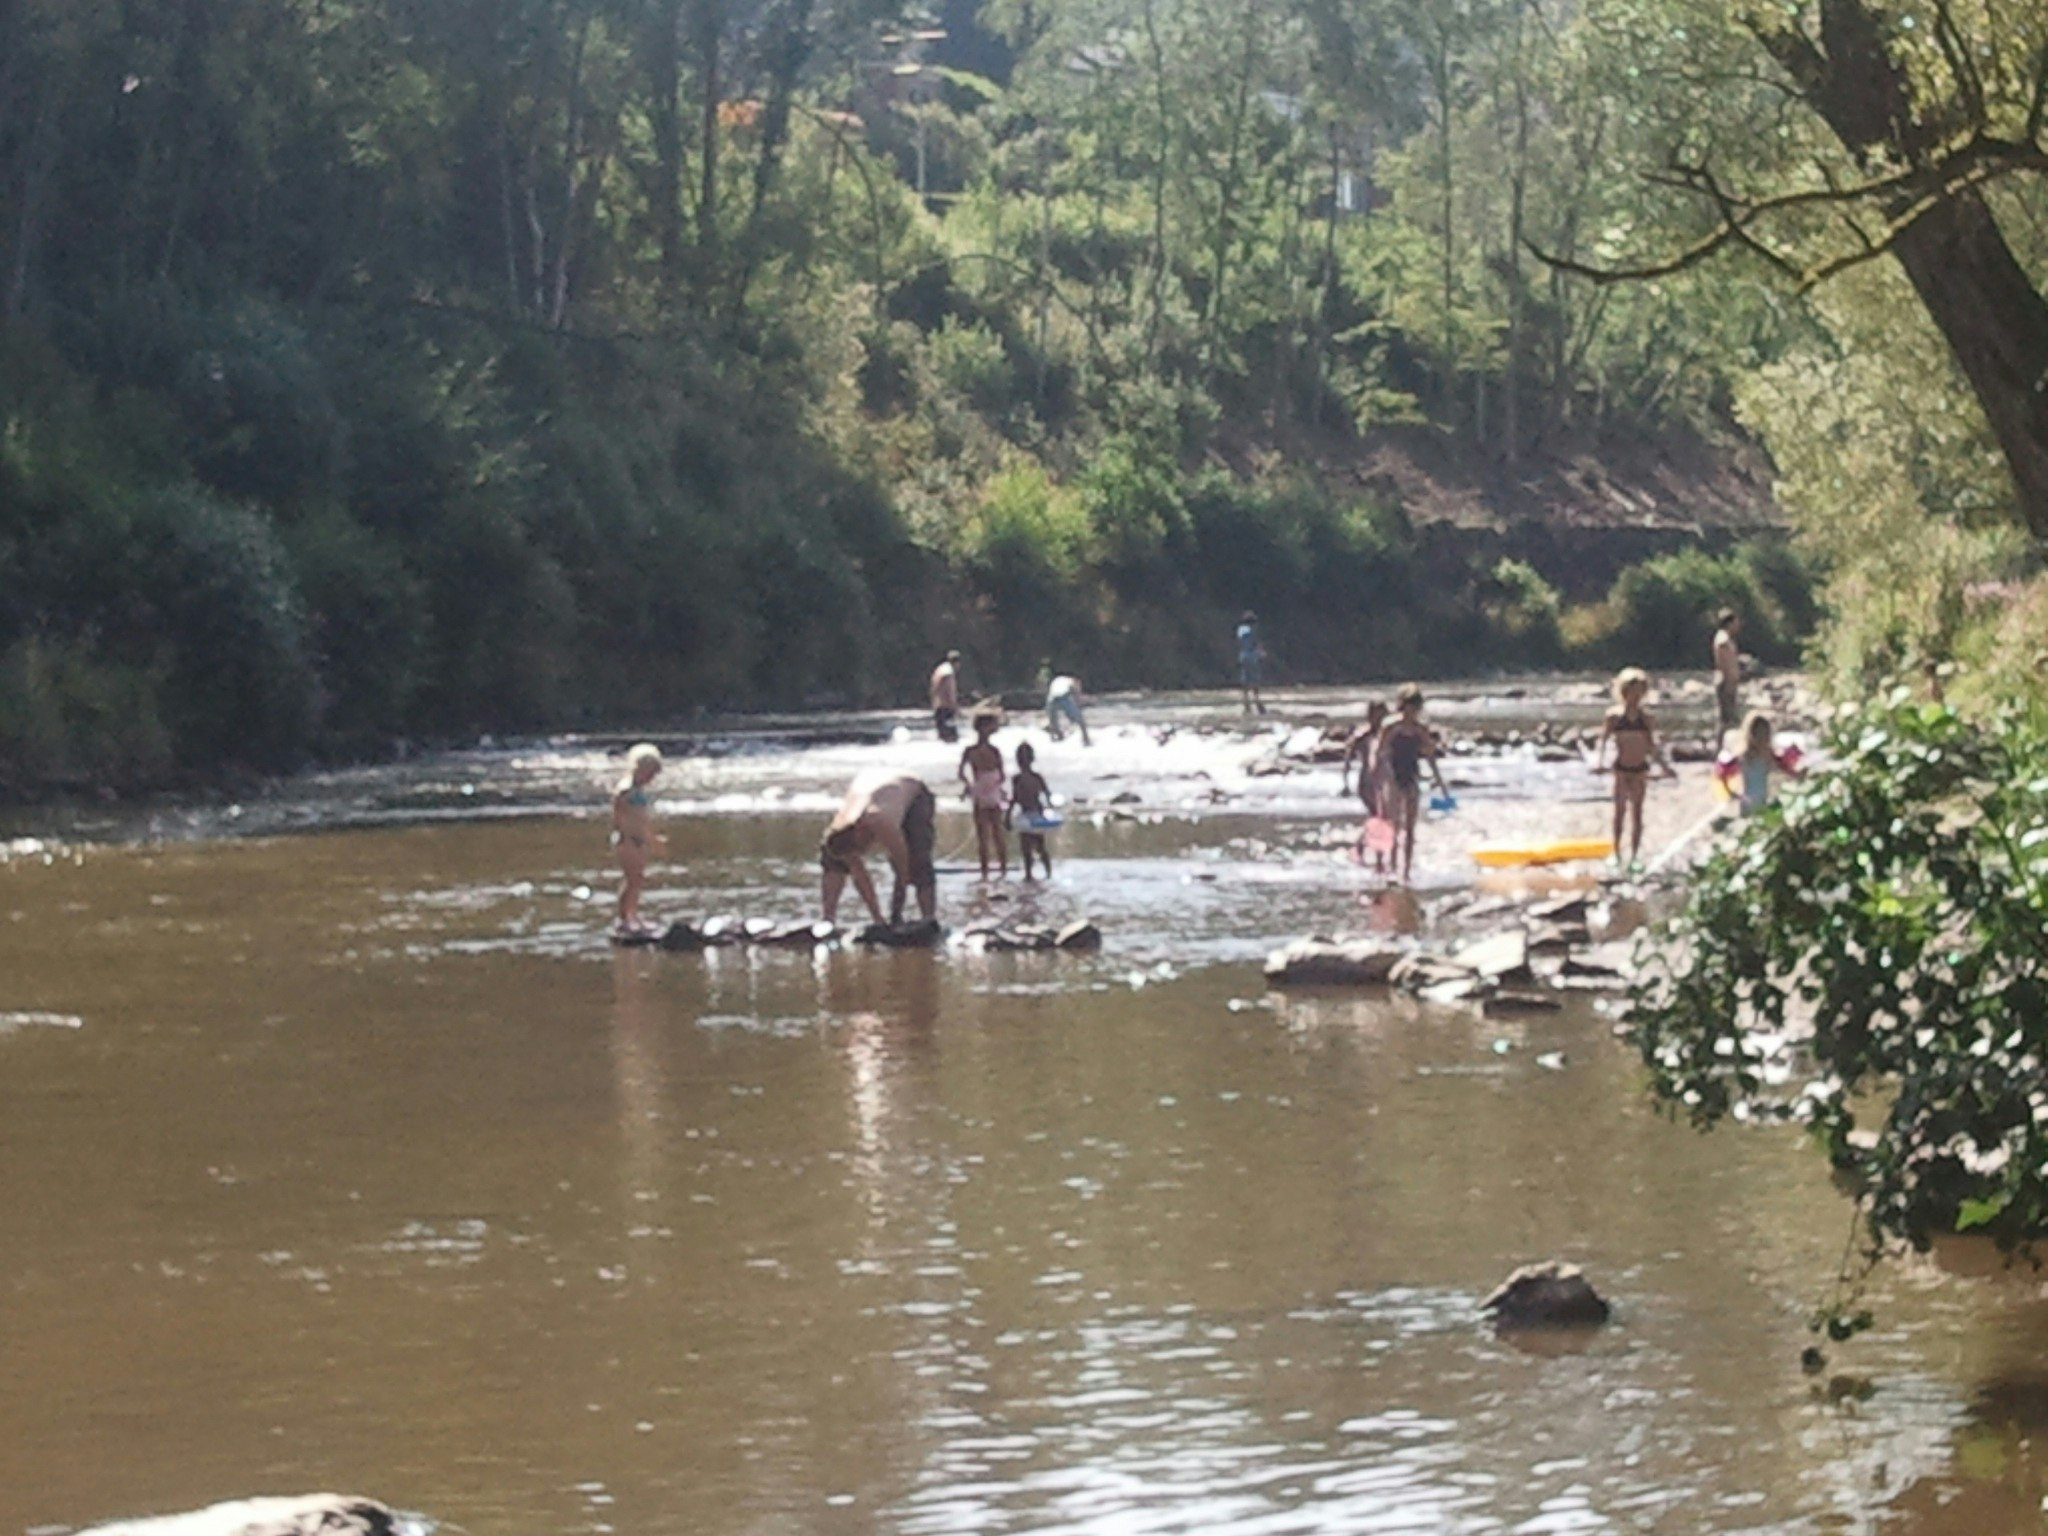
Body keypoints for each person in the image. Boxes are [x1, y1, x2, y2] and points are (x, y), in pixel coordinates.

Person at [821, 773, 937, 927]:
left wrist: (896, 914)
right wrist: (878, 919)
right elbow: (860, 877)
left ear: (859, 832)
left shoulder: (882, 821)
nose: (862, 852)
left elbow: (903, 870)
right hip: (869, 784)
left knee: (917, 858)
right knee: (833, 861)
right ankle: (828, 919)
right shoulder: (841, 827)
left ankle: (928, 918)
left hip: (912, 791)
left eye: (860, 849)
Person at [1593, 668, 1675, 868]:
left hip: (1640, 769)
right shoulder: (1614, 717)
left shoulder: (1646, 718)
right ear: (1623, 692)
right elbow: (1602, 741)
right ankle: (1616, 852)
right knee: (1619, 812)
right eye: (1632, 692)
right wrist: (1599, 762)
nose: (1635, 697)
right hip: (1621, 769)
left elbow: (1652, 746)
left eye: (1639, 692)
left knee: (1637, 813)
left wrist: (1665, 767)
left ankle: (1635, 856)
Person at [1375, 683, 1450, 884]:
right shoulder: (1390, 726)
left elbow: (1430, 756)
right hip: (1393, 776)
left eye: (1416, 708)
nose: (1413, 712)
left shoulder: (1420, 729)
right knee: (1394, 824)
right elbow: (1381, 754)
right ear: (1403, 705)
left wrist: (1441, 785)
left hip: (1412, 775)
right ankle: (1390, 867)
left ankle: (1405, 871)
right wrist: (1380, 779)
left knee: (1410, 827)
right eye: (1410, 707)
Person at [611, 743, 667, 935]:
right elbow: (624, 818)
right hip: (628, 841)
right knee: (631, 879)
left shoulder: (636, 790)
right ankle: (624, 919)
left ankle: (632, 915)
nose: (651, 778)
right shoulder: (626, 791)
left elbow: (641, 819)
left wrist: (650, 838)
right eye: (650, 773)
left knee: (637, 879)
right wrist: (637, 838)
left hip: (637, 839)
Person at [1341, 700, 1391, 872]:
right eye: (1378, 714)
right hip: (1367, 781)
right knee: (1378, 816)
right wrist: (1345, 782)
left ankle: (1369, 851)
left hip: (1384, 781)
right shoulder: (1363, 735)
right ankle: (1372, 854)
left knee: (1381, 817)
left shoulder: (1387, 733)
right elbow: (1348, 758)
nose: (1381, 717)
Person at [958, 710, 1009, 879]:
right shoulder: (994, 751)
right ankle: (1001, 870)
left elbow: (961, 773)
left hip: (980, 791)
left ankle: (986, 872)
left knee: (985, 835)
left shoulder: (971, 750)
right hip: (990, 791)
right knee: (996, 833)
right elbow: (1002, 775)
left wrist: (970, 786)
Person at [1737, 711, 1803, 816]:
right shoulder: (1750, 756)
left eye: (1764, 733)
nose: (1762, 737)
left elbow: (1783, 771)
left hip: (1761, 802)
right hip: (1752, 803)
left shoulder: (1763, 755)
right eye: (1759, 733)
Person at [1009, 741, 1055, 880]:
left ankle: (1035, 874)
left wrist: (1008, 815)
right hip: (1031, 813)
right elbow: (1046, 794)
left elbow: (1015, 798)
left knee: (1033, 847)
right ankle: (1041, 874)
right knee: (1034, 846)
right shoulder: (1032, 778)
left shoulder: (1023, 778)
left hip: (1031, 814)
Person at [1712, 610, 1743, 733]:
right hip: (1726, 682)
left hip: (1728, 681)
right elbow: (1724, 661)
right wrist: (1729, 680)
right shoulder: (1723, 638)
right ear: (1729, 623)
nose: (1738, 625)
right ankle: (1721, 745)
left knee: (1729, 717)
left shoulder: (1725, 638)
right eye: (1736, 622)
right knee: (1727, 718)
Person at [1046, 671, 1091, 745]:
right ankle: (1086, 739)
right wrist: (1079, 702)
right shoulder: (1071, 681)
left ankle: (1057, 736)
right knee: (1080, 719)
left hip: (1051, 698)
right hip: (1062, 697)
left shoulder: (1059, 679)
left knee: (1053, 721)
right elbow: (1076, 693)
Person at [1236, 610, 1266, 715]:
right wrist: (1261, 652)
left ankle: (1246, 703)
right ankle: (1258, 702)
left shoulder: (1240, 630)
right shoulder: (1252, 631)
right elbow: (1255, 642)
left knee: (1245, 679)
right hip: (1252, 656)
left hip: (1243, 656)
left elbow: (1240, 643)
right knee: (1255, 679)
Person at [930, 650, 962, 743]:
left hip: (938, 707)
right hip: (946, 708)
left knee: (942, 736)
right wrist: (954, 706)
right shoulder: (948, 673)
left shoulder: (940, 669)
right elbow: (949, 691)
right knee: (951, 738)